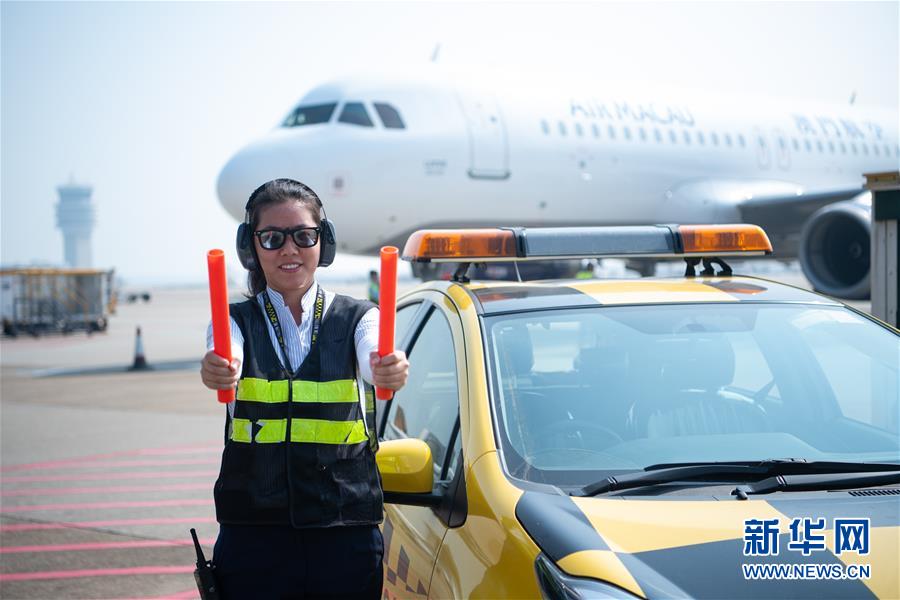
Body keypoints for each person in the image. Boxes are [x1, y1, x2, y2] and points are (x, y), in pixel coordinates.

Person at [200, 178, 409, 599]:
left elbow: (375, 355)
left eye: (303, 236)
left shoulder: (361, 317)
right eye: (272, 238)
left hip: (344, 535)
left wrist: (387, 367)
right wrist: (218, 369)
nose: (289, 249)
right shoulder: (232, 323)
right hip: (253, 538)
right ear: (251, 247)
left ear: (323, 242)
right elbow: (225, 356)